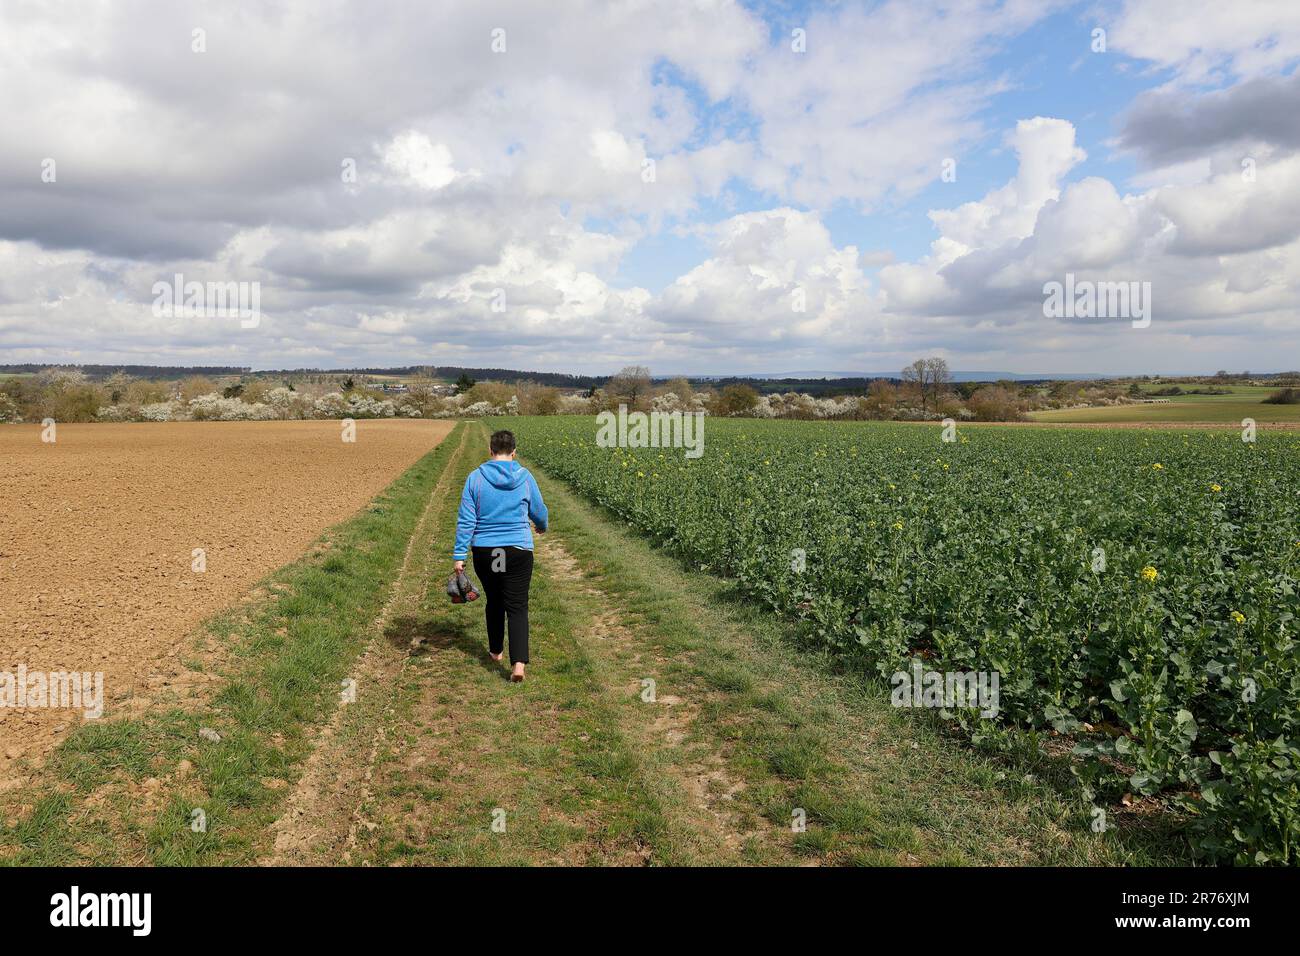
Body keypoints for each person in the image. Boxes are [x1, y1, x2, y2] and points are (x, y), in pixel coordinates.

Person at [452, 429, 548, 682]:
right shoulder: (525, 476)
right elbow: (538, 509)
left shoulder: (475, 478)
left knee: (494, 601)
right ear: (514, 452)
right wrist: (542, 525)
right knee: (517, 606)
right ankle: (518, 666)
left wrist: (459, 554)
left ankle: (496, 652)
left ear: (491, 451)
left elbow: (466, 519)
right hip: (517, 550)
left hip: (486, 550)